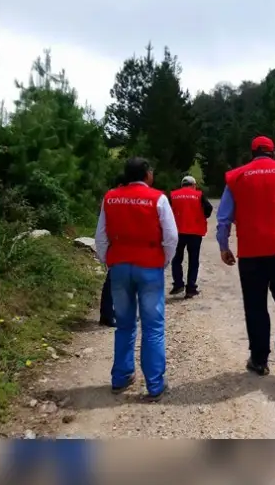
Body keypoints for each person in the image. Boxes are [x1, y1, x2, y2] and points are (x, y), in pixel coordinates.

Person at [216, 136, 275, 381]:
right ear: (273, 153)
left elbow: (224, 218)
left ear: (252, 153)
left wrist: (224, 246)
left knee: (255, 305)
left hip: (250, 253)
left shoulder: (236, 177)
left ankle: (259, 360)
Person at [94, 157, 178, 400]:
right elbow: (171, 236)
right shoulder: (158, 198)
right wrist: (163, 261)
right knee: (153, 326)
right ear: (147, 174)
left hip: (119, 266)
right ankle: (154, 385)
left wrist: (108, 260)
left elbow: (100, 237)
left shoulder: (110, 198)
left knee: (124, 324)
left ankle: (121, 377)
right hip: (149, 267)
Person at [169, 175, 214, 298]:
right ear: (194, 185)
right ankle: (191, 288)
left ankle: (178, 284)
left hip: (177, 232)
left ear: (182, 185)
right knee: (193, 260)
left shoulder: (173, 195)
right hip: (195, 231)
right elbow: (209, 208)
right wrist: (202, 216)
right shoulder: (198, 195)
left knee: (177, 259)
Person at [99, 174, 128, 327]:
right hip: (116, 247)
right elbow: (103, 230)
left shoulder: (111, 198)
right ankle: (107, 315)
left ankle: (113, 313)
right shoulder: (113, 198)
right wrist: (103, 255)